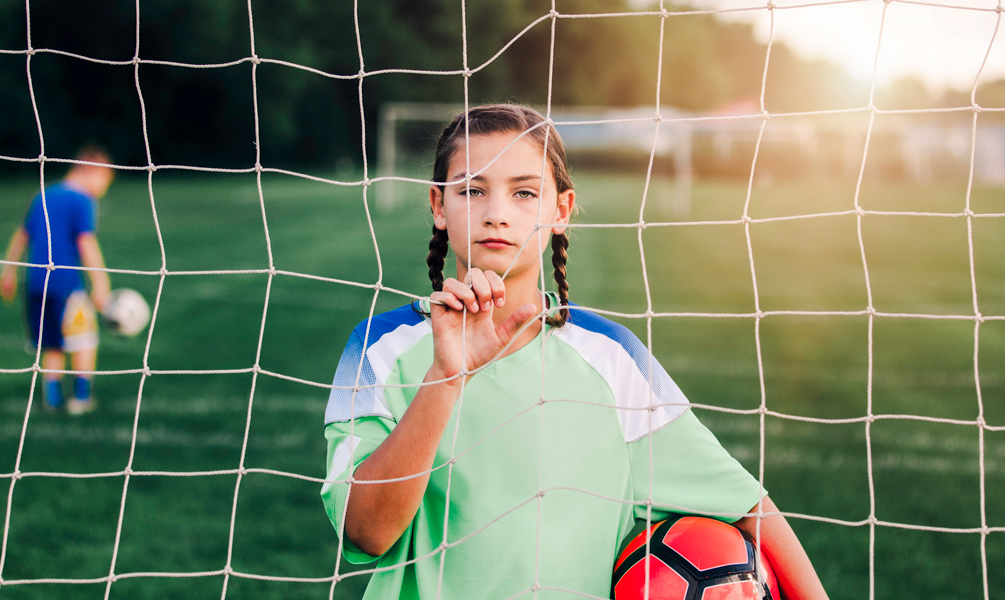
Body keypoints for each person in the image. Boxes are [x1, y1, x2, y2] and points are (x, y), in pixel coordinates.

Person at [320, 105, 828, 598]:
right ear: (438, 206)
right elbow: (366, 532)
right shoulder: (379, 350)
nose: (496, 213)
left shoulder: (609, 358)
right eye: (472, 190)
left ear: (560, 210)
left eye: (524, 193)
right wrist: (446, 377)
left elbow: (748, 507)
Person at [0, 145, 114, 415]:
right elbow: (86, 242)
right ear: (92, 170)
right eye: (105, 180)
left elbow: (22, 235)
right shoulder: (82, 200)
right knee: (83, 340)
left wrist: (9, 271)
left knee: (51, 342)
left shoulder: (43, 194)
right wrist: (101, 283)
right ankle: (81, 398)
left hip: (36, 284)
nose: (104, 188)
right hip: (67, 285)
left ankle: (52, 398)